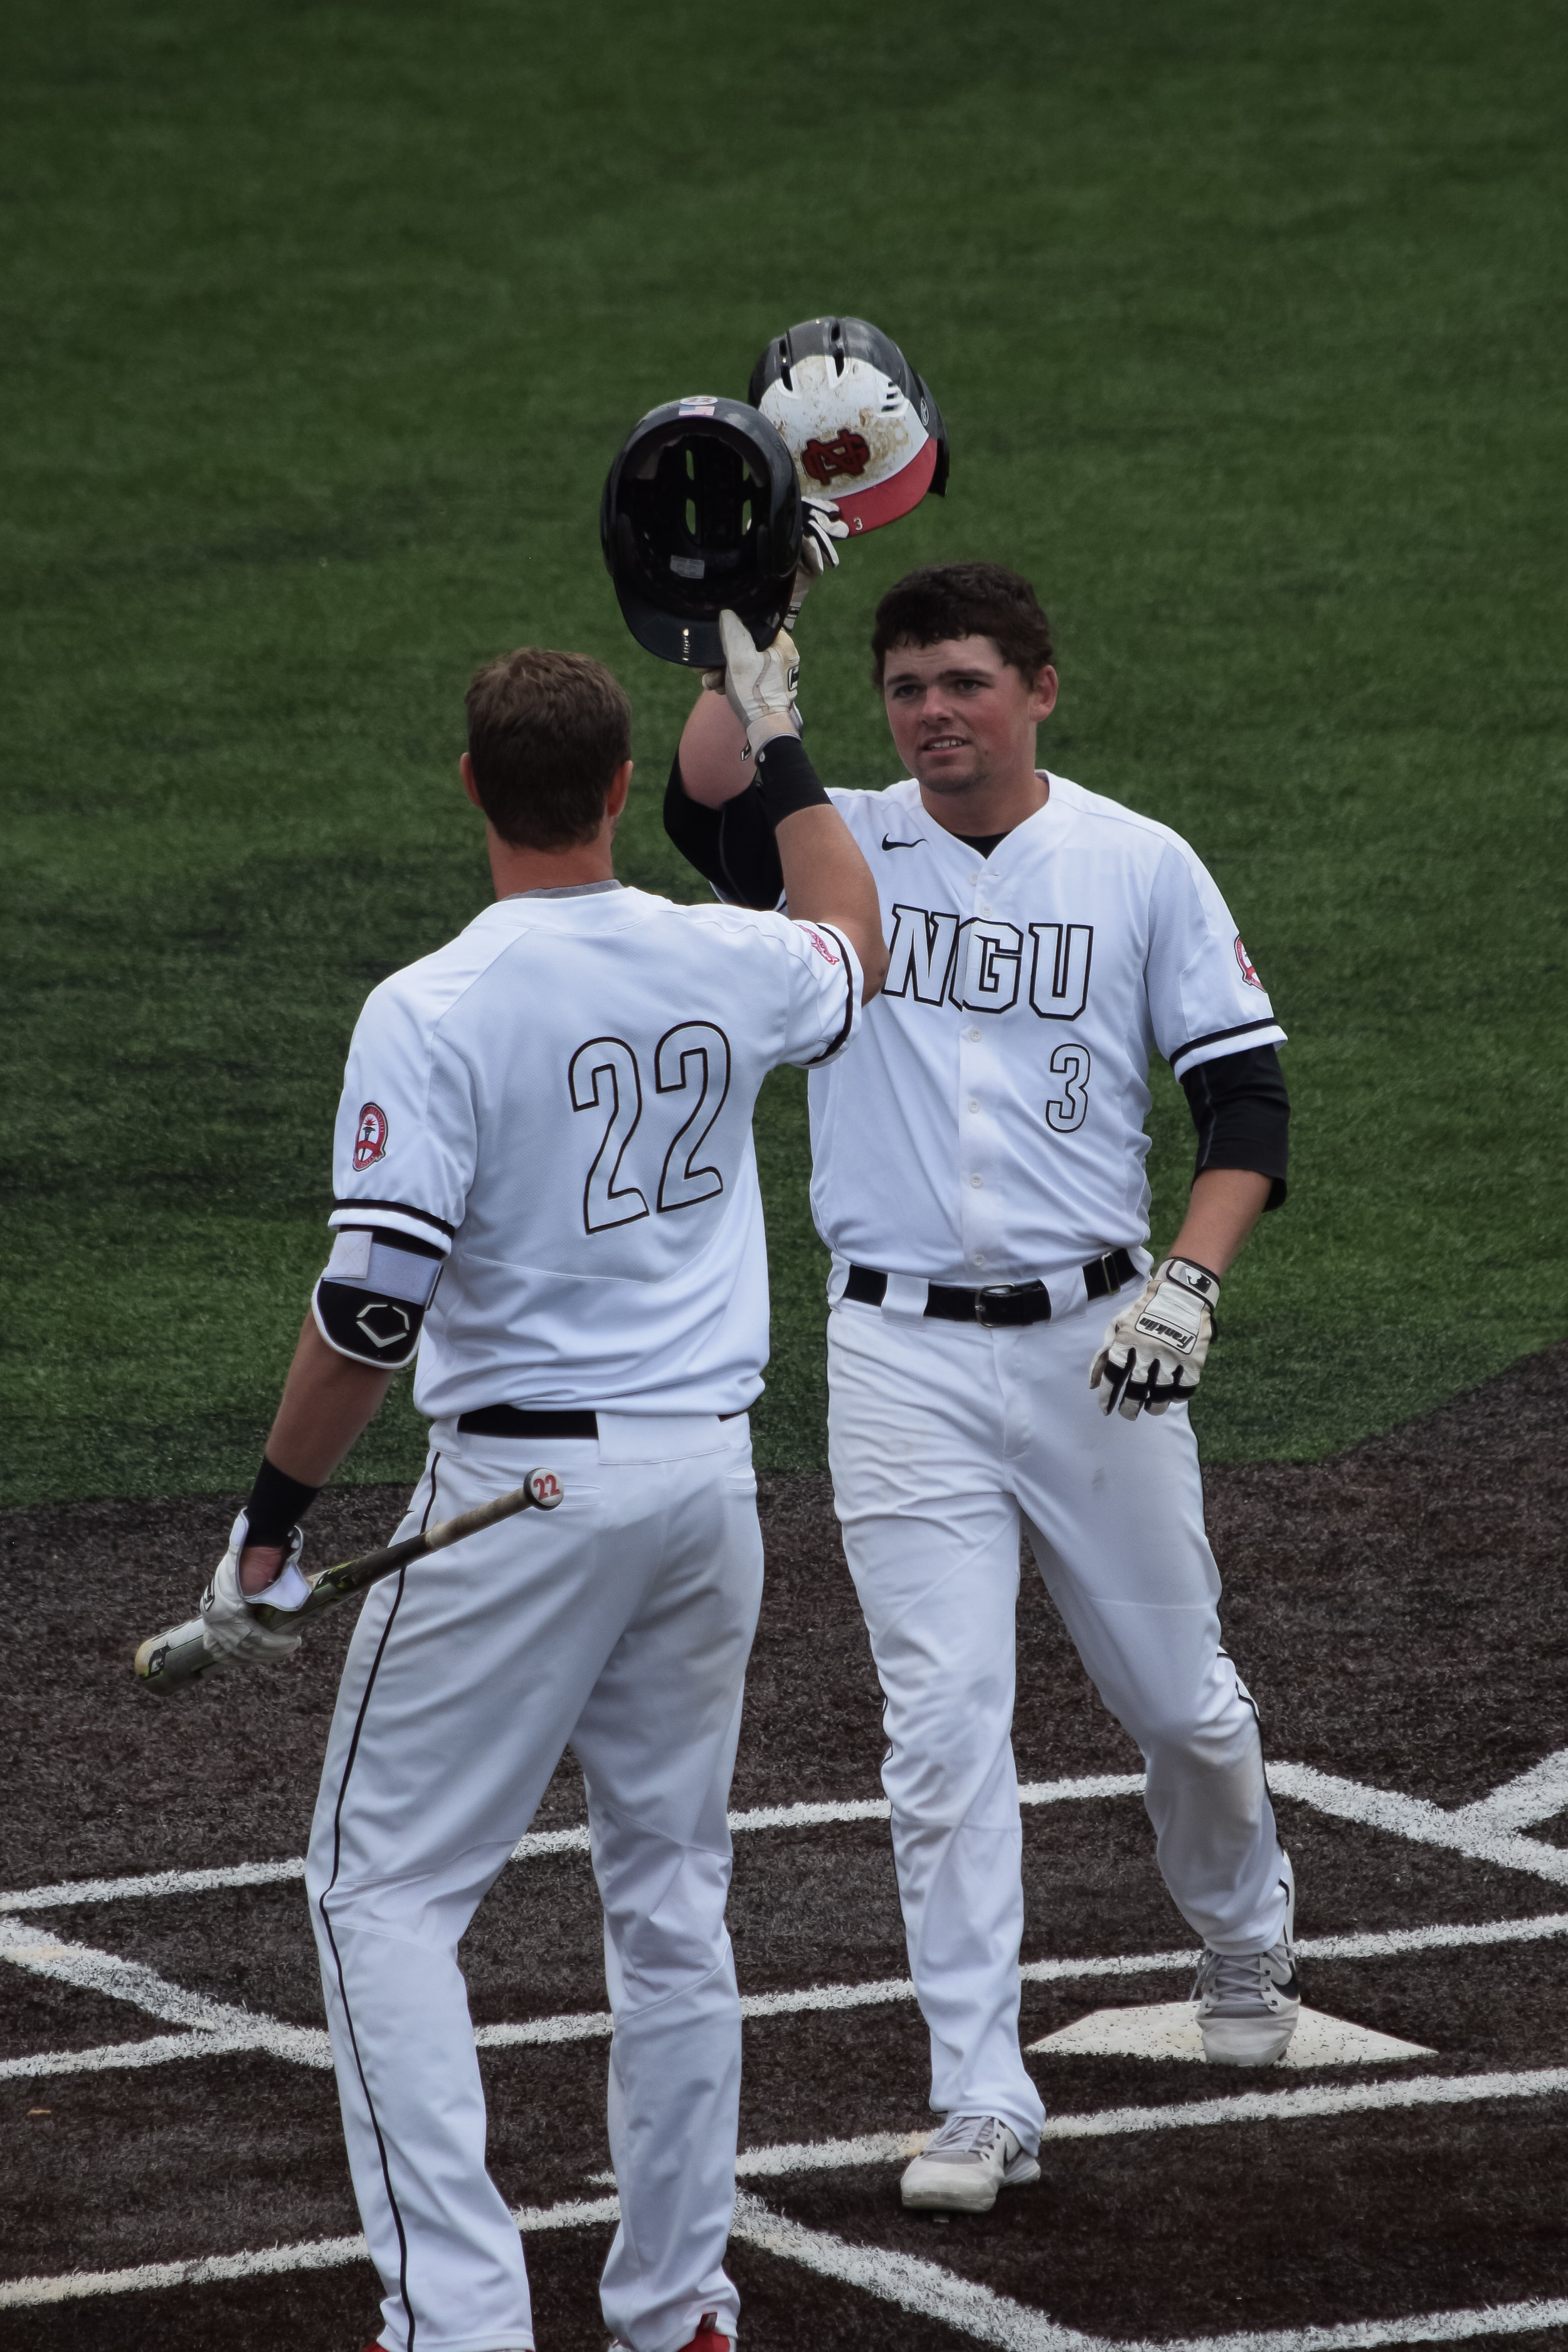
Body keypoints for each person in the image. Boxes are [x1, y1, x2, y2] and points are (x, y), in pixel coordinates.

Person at [193, 628, 886, 2352]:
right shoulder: (721, 957)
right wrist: (782, 741)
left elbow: (369, 1308)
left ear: (468, 790)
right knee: (668, 1896)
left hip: (519, 1500)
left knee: (381, 1896)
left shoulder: (432, 1004)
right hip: (704, 1493)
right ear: (620, 788)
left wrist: (271, 1523)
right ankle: (676, 2308)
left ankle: (460, 2322)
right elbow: (852, 936)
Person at [664, 559, 1299, 2217]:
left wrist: (1186, 1281)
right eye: (903, 690)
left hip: (1096, 1351)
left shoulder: (1137, 861)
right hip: (891, 1352)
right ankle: (978, 2092)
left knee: (1178, 1705)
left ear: (1037, 688)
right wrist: (751, 618)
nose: (930, 715)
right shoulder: (839, 844)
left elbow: (1245, 1107)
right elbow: (701, 787)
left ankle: (1243, 1932)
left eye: (961, 683)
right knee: (939, 1727)